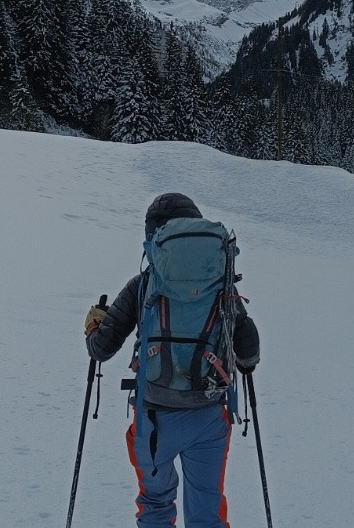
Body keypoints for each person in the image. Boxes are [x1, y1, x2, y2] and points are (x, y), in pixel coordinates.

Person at [84, 192, 261, 528]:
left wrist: (94, 326)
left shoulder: (142, 285)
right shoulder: (219, 287)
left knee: (155, 504)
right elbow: (248, 347)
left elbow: (101, 349)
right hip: (209, 416)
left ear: (154, 239)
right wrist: (247, 364)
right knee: (207, 511)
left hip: (154, 419)